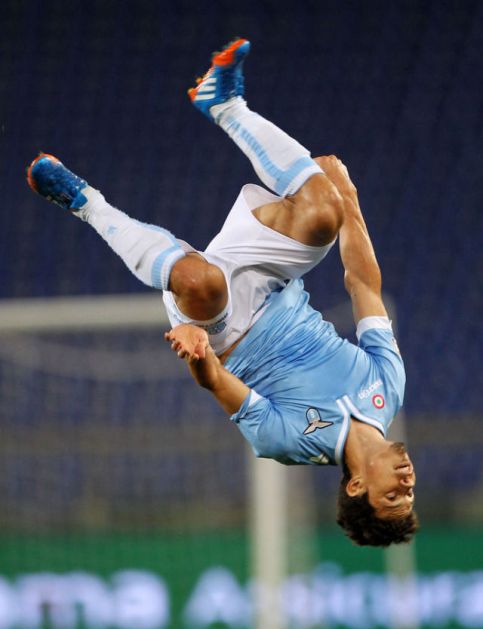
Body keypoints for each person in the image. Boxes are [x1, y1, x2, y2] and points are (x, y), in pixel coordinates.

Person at [27, 38, 418, 546]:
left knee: (200, 282)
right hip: (275, 283)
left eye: (393, 496)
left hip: (224, 327)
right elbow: (364, 285)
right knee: (325, 211)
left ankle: (87, 204)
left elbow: (217, 383)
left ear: (358, 485)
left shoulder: (291, 443)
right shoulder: (387, 385)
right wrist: (350, 198)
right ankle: (224, 103)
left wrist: (196, 354)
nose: (407, 483)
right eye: (410, 493)